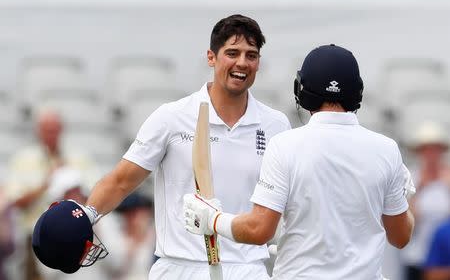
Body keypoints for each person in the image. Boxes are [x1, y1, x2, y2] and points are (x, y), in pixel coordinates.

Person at [32, 14, 291, 280]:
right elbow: (122, 180)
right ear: (211, 57)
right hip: (180, 268)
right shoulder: (172, 117)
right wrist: (87, 215)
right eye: (232, 53)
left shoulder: (276, 125)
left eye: (251, 55)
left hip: (248, 269)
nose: (242, 63)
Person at [183, 44, 415, 279]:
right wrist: (401, 198)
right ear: (358, 92)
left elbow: (259, 230)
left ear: (301, 89)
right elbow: (401, 237)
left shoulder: (285, 145)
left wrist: (213, 219)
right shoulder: (386, 150)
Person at [3, 108, 98, 280]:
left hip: (73, 232)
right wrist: (46, 183)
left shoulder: (78, 158)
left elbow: (94, 194)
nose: (51, 135)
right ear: (38, 131)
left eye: (55, 130)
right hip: (36, 234)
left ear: (61, 130)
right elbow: (15, 202)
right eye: (47, 130)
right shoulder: (23, 160)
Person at [400, 120, 450, 280]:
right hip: (417, 256)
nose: (431, 155)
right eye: (426, 150)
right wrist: (419, 190)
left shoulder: (448, 178)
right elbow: (403, 219)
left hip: (444, 258)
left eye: (435, 149)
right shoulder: (411, 178)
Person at [115, 192, 156, 280]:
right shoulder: (116, 236)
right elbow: (115, 268)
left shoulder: (157, 236)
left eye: (135, 214)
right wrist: (136, 240)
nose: (131, 218)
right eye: (127, 214)